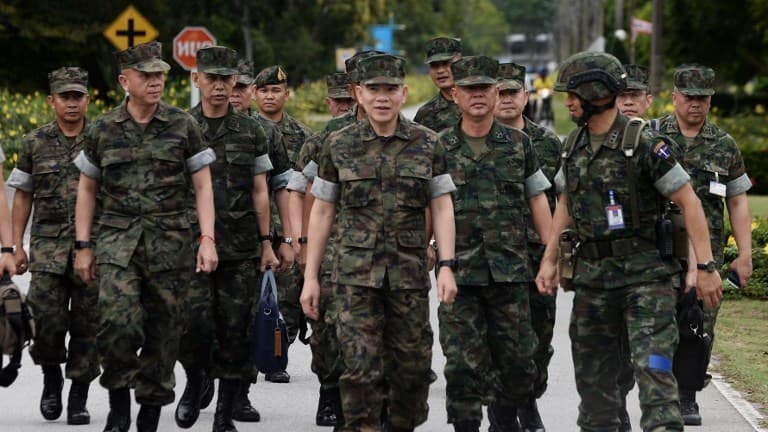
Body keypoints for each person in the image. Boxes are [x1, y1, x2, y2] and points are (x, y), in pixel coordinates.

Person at [536, 51, 723, 432]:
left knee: (654, 379)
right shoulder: (573, 145)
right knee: (595, 394)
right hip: (593, 284)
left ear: (595, 92)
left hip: (647, 282)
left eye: (571, 94)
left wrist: (703, 268)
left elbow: (689, 202)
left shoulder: (645, 144)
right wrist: (549, 259)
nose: (567, 101)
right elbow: (565, 203)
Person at [301, 53, 458, 432]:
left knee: (412, 371)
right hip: (354, 280)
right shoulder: (338, 145)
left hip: (407, 277)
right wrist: (310, 277)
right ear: (358, 93)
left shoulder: (428, 144)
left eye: (390, 89)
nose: (382, 97)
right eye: (373, 89)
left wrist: (447, 266)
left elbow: (442, 207)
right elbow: (321, 212)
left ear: (404, 93)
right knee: (360, 370)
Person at [73, 41, 218, 432]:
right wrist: (83, 246)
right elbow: (87, 189)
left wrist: (207, 238)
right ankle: (119, 407)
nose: (156, 82)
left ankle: (150, 413)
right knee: (116, 322)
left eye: (160, 75)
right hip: (117, 243)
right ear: (125, 81)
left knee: (165, 330)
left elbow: (203, 186)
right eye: (146, 76)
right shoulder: (102, 128)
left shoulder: (182, 125)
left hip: (170, 243)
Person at [438, 56, 551, 432]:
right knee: (461, 365)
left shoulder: (519, 144)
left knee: (518, 362)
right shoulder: (439, 147)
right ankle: (467, 425)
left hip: (510, 272)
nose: (479, 96)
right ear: (455, 94)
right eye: (469, 89)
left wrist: (550, 256)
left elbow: (538, 199)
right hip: (461, 274)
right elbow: (430, 207)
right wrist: (433, 260)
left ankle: (504, 420)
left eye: (485, 88)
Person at [174, 46, 278, 432]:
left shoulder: (253, 131)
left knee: (236, 330)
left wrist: (268, 242)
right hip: (191, 245)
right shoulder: (180, 127)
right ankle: (195, 379)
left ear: (235, 82)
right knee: (193, 324)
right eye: (211, 78)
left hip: (240, 246)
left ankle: (223, 414)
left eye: (225, 79)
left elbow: (260, 191)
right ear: (196, 79)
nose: (219, 87)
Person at [656, 64, 753, 426]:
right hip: (661, 251)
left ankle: (687, 395)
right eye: (689, 97)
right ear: (675, 97)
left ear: (710, 100)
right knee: (660, 325)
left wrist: (744, 254)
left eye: (702, 98)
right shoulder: (655, 137)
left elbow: (738, 200)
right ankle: (661, 391)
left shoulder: (724, 145)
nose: (695, 105)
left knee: (699, 326)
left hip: (707, 257)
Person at [7, 66, 99, 425]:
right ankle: (51, 379)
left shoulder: (102, 138)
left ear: (87, 100)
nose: (72, 103)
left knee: (88, 324)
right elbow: (22, 196)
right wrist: (16, 246)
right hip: (46, 248)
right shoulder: (35, 142)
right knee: (45, 319)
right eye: (65, 97)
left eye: (78, 96)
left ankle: (78, 396)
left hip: (93, 248)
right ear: (52, 101)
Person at [494, 61, 561, 432]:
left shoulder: (548, 143)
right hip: (491, 259)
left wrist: (559, 252)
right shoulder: (466, 141)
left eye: (512, 92)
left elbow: (563, 201)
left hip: (537, 256)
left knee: (538, 338)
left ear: (525, 96)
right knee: (497, 340)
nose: (505, 100)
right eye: (499, 93)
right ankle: (504, 411)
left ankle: (530, 397)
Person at [227, 56, 294, 423]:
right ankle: (201, 375)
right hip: (202, 242)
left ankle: (239, 393)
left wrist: (284, 238)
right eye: (228, 85)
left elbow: (282, 185)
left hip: (252, 242)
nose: (233, 94)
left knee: (248, 318)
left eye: (240, 88)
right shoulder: (188, 126)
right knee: (198, 321)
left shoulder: (264, 134)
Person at [254, 64, 311, 383]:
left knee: (286, 297)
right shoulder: (250, 129)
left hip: (288, 227)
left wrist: (297, 236)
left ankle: (277, 356)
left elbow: (304, 187)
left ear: (286, 94)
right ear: (253, 94)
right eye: (264, 90)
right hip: (256, 227)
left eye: (276, 90)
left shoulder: (303, 135)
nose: (270, 96)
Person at [614, 62, 653, 431]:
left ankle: (659, 408)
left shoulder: (659, 145)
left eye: (634, 96)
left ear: (648, 100)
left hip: (655, 266)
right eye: (622, 96)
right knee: (619, 350)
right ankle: (620, 407)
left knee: (655, 351)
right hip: (611, 268)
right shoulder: (599, 142)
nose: (627, 103)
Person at [413, 37, 462, 133]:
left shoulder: (480, 102)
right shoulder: (426, 114)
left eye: (446, 63)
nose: (440, 71)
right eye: (434, 65)